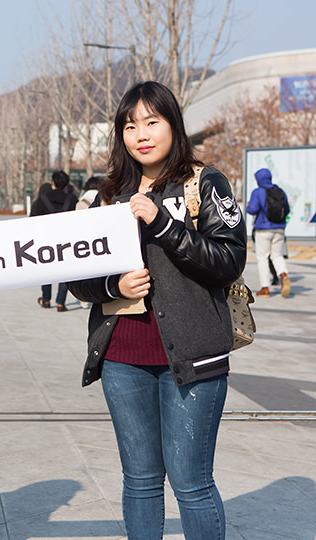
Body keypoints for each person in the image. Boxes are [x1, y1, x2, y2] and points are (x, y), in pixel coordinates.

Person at [68, 81, 246, 540]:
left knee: (191, 483)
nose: (141, 134)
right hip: (122, 360)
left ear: (173, 125)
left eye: (152, 122)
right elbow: (76, 277)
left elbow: (229, 260)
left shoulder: (204, 183)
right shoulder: (105, 194)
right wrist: (114, 284)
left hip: (193, 358)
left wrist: (163, 222)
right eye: (130, 126)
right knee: (141, 482)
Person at [31, 170, 77, 312]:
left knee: (46, 269)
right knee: (65, 272)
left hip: (46, 240)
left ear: (53, 183)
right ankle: (60, 303)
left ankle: (46, 299)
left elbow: (32, 220)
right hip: (66, 241)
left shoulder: (42, 199)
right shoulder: (72, 200)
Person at [246, 167, 291, 297]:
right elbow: (287, 209)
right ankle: (283, 274)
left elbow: (252, 210)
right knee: (277, 255)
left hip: (263, 229)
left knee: (263, 257)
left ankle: (265, 288)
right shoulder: (280, 191)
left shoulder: (258, 192)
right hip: (280, 228)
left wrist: (249, 206)